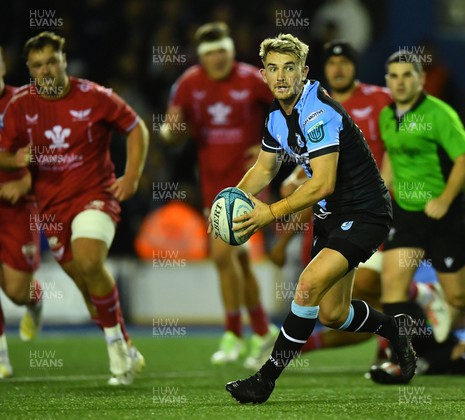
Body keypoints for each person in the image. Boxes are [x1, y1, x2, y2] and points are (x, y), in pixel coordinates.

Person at [222, 33, 417, 404]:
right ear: (263, 75)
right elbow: (264, 169)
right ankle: (394, 328)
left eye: (289, 68)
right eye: (273, 69)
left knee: (307, 286)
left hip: (365, 213)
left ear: (304, 73)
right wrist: (234, 201)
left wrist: (268, 214)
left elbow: (323, 184)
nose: (281, 77)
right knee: (332, 313)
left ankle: (264, 379)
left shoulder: (318, 111)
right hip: (332, 218)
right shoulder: (276, 119)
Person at [0, 32, 148, 385]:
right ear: (30, 69)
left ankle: (116, 354)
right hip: (51, 209)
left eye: (52, 61)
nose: (46, 70)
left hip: (96, 196)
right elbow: (3, 150)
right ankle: (126, 345)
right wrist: (16, 161)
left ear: (65, 60)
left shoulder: (95, 97)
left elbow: (137, 127)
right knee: (86, 286)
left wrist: (131, 176)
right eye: (38, 65)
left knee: (89, 260)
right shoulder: (19, 105)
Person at [376, 50, 465, 379]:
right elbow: (392, 155)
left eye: (407, 75)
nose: (400, 82)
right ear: (387, 81)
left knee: (459, 296)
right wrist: (381, 190)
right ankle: (411, 358)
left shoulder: (439, 113)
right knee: (392, 287)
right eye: (394, 76)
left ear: (421, 79)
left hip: (447, 215)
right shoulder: (387, 115)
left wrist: (445, 199)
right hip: (407, 214)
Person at [161, 22, 278, 369]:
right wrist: (171, 133)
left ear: (231, 50)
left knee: (221, 255)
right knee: (237, 260)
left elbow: (289, 108)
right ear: (202, 56)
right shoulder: (189, 84)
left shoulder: (252, 79)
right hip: (213, 186)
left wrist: (269, 146)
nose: (217, 58)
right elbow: (172, 133)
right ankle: (260, 330)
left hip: (251, 182)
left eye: (222, 51)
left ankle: (232, 333)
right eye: (210, 53)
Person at [0, 45, 43, 378]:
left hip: (18, 206)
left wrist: (25, 183)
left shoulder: (25, 103)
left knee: (16, 291)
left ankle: (35, 300)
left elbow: (46, 155)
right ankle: (1, 357)